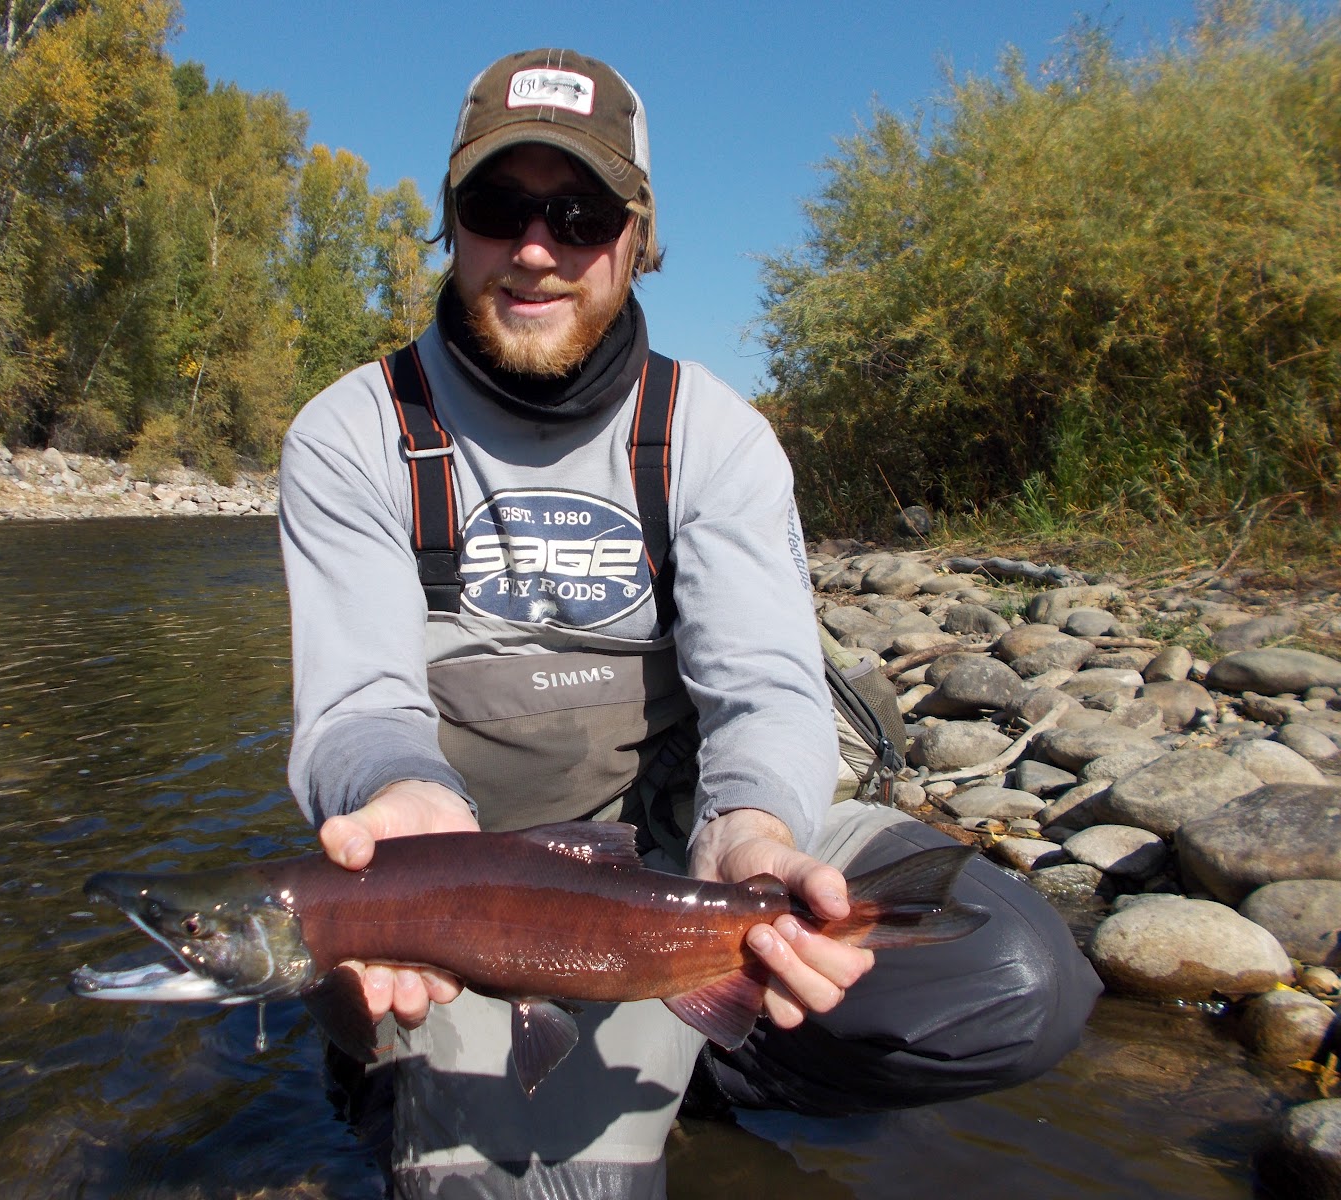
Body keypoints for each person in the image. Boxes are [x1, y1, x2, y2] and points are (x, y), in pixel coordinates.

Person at [278, 47, 1101, 1199]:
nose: (534, 247)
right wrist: (396, 803)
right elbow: (353, 705)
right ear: (450, 224)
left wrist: (754, 832)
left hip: (679, 868)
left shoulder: (712, 435)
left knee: (1016, 979)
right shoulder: (352, 433)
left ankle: (706, 1049)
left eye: (578, 212)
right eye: (496, 206)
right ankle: (424, 1063)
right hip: (459, 911)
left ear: (639, 236)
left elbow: (766, 686)